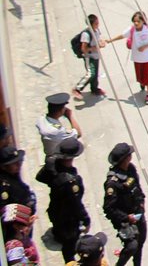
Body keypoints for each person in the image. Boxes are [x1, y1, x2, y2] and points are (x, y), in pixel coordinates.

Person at [35, 137, 88, 265]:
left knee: (60, 231)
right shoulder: (71, 181)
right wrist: (86, 219)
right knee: (69, 246)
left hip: (55, 209)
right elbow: (76, 205)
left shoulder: (53, 165)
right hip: (68, 218)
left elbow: (40, 177)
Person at [102, 144, 147, 266]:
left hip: (137, 213)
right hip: (125, 218)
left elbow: (137, 187)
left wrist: (142, 201)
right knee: (132, 246)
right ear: (125, 158)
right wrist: (126, 217)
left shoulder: (131, 169)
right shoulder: (112, 183)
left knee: (141, 240)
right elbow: (108, 208)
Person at [111, 12, 148, 104]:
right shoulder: (132, 30)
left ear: (143, 21)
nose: (136, 23)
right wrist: (110, 40)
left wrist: (145, 47)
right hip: (137, 57)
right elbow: (122, 35)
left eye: (138, 21)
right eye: (134, 21)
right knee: (140, 75)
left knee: (147, 75)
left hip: (147, 57)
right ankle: (142, 83)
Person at [71, 14, 108, 100]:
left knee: (95, 74)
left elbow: (98, 39)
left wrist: (102, 43)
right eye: (96, 23)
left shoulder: (96, 30)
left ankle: (95, 89)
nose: (98, 24)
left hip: (96, 56)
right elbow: (84, 49)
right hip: (89, 57)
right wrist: (95, 48)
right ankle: (77, 88)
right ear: (90, 24)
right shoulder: (86, 34)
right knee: (91, 74)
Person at [36, 93, 82, 158]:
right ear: (60, 111)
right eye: (64, 108)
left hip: (49, 153)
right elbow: (78, 134)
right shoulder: (57, 131)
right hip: (57, 158)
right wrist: (70, 116)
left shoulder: (41, 119)